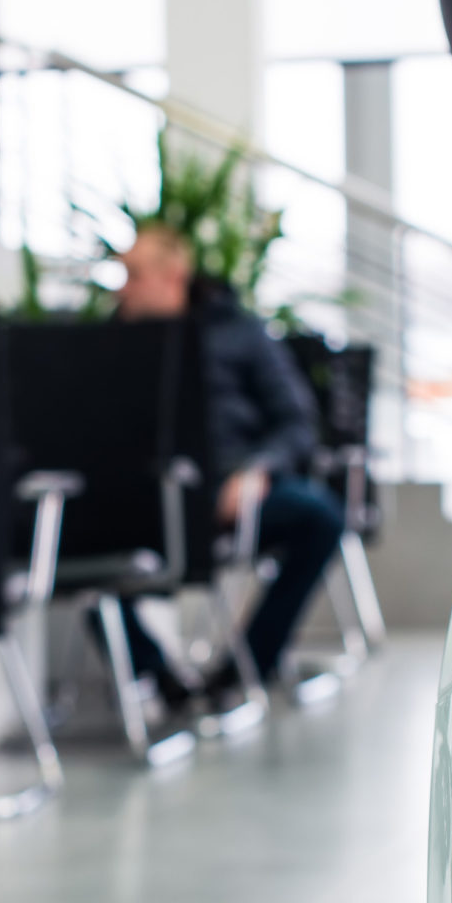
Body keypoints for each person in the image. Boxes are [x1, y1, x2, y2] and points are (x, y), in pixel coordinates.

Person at [111, 221, 344, 707]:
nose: (123, 289)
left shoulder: (238, 333)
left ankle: (245, 667)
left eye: (134, 275)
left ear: (172, 274)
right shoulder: (112, 345)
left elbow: (297, 422)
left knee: (320, 516)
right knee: (70, 536)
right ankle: (158, 677)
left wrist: (256, 470)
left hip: (231, 494)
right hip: (142, 503)